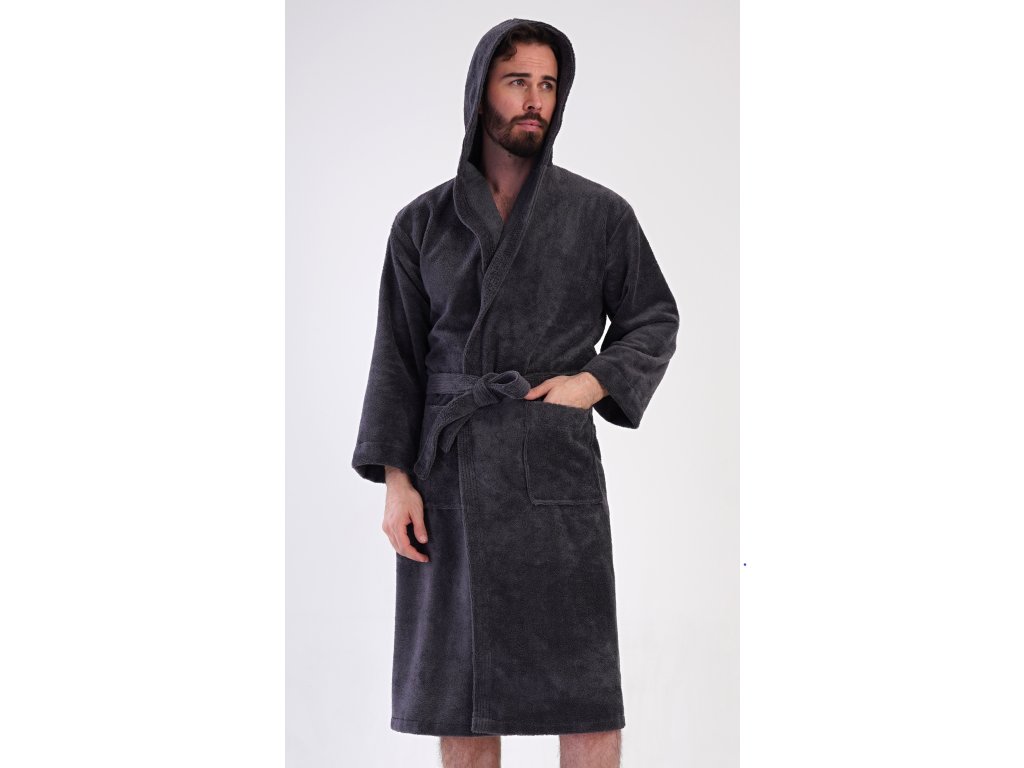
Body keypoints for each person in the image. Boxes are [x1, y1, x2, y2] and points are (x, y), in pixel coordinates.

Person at [352, 17, 679, 768]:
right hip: (449, 474)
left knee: (585, 694)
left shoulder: (599, 214)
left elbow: (654, 318)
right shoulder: (422, 223)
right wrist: (397, 481)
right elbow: (396, 357)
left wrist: (592, 382)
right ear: (480, 93)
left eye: (548, 85)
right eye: (517, 81)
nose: (535, 99)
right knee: (460, 697)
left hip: (552, 468)